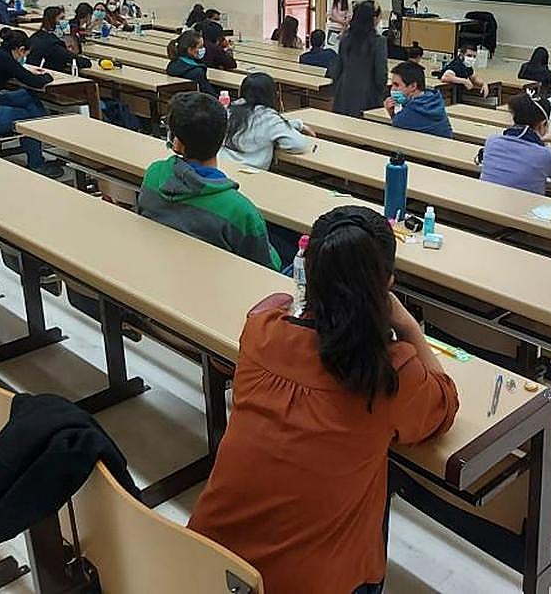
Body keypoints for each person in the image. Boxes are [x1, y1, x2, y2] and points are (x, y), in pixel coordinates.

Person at [188, 205, 458, 594]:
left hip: (204, 565)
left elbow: (275, 304)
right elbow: (444, 403)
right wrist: (409, 327)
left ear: (308, 273)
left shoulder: (261, 333)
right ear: (386, 287)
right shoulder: (389, 374)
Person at [138, 91, 280, 270]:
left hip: (165, 268)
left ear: (177, 143)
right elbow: (267, 269)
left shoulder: (154, 174)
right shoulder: (240, 211)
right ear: (222, 139)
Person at [0, 28, 60, 177]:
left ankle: (39, 140)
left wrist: (22, 71)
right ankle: (37, 162)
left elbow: (18, 72)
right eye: (25, 54)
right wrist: (48, 76)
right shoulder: (5, 60)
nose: (24, 58)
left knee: (26, 95)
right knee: (31, 119)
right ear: (20, 50)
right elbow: (35, 82)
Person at [478, 93, 551, 195]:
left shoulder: (492, 141)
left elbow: (519, 146)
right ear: (543, 124)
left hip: (488, 200)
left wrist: (540, 140)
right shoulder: (545, 155)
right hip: (524, 209)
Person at [221, 72, 313, 170]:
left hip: (221, 166)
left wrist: (295, 125)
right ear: (271, 94)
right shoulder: (268, 118)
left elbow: (250, 125)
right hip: (249, 173)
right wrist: (277, 140)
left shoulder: (229, 110)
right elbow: (299, 145)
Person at [330, 0, 388, 118]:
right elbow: (381, 75)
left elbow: (337, 69)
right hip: (368, 95)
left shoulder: (345, 38)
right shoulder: (378, 41)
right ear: (374, 19)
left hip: (343, 92)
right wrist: (381, 94)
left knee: (342, 127)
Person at [384, 61, 452, 139]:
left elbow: (398, 125)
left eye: (396, 85)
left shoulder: (411, 112)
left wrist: (391, 113)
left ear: (413, 86)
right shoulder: (432, 99)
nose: (393, 89)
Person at [165, 29, 217, 96]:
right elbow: (210, 94)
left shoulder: (172, 65)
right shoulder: (197, 72)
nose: (203, 49)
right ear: (190, 50)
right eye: (200, 47)